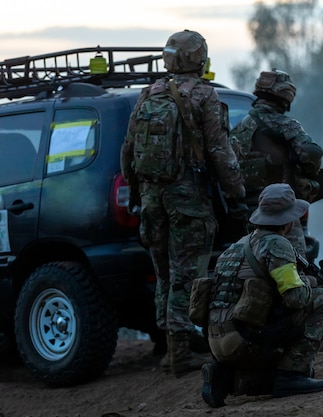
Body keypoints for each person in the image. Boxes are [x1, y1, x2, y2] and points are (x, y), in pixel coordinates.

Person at [120, 29, 246, 378]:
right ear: (199, 58)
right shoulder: (204, 96)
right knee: (186, 274)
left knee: (163, 273)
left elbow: (127, 152)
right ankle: (179, 355)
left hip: (151, 199)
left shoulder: (149, 93)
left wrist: (136, 192)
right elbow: (221, 153)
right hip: (187, 199)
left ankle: (168, 345)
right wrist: (237, 194)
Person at [201, 183, 323, 407]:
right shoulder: (277, 245)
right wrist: (311, 282)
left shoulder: (237, 245)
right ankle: (292, 376)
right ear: (289, 219)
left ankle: (222, 375)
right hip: (245, 340)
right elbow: (297, 298)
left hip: (217, 341)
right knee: (322, 298)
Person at [230, 69, 323, 255]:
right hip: (279, 209)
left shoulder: (239, 127)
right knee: (294, 261)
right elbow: (313, 152)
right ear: (286, 95)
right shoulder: (283, 124)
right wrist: (309, 174)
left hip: (245, 209)